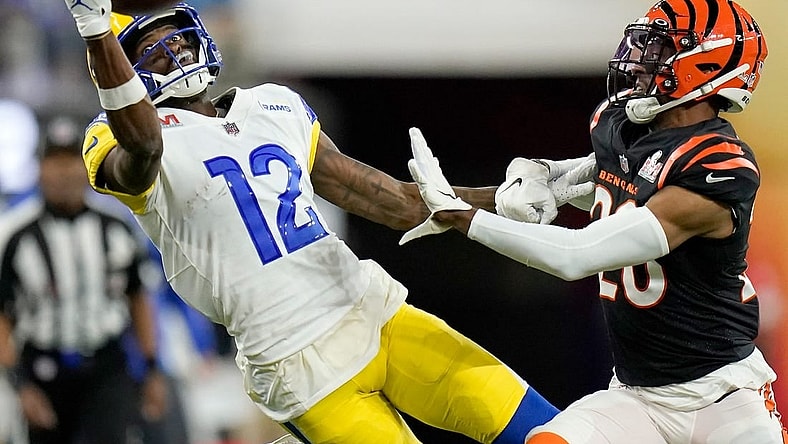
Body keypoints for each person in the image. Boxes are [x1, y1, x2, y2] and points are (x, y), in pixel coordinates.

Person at [61, 1, 562, 443]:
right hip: (297, 365)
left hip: (376, 311)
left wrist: (501, 200)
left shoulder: (272, 104)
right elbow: (144, 146)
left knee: (547, 434)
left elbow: (391, 200)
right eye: (151, 49)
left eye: (177, 39)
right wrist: (97, 33)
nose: (173, 51)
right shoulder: (113, 137)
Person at [400, 1, 788, 443]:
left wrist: (462, 216)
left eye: (660, 48)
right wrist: (544, 173)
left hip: (723, 398)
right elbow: (612, 185)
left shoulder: (720, 167)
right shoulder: (622, 124)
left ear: (707, 65)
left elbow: (576, 255)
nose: (639, 58)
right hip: (637, 395)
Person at [0, 115, 169, 444]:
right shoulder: (16, 234)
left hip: (106, 365)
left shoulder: (116, 227)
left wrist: (151, 368)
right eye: (54, 161)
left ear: (86, 166)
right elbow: (2, 315)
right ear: (40, 169)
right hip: (42, 368)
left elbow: (138, 300)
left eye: (71, 161)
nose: (63, 172)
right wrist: (19, 384)